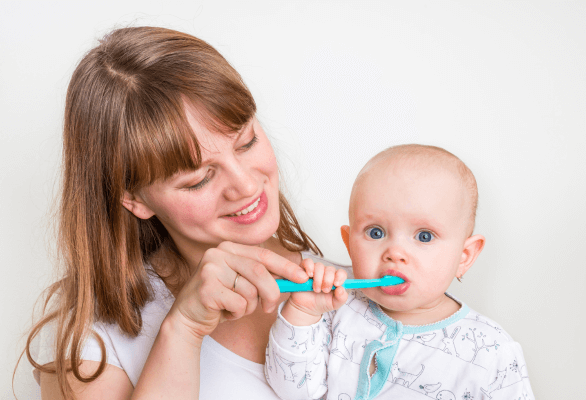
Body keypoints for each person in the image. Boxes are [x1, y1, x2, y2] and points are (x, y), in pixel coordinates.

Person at [22, 26, 346, 400]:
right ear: (135, 199)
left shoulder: (351, 286)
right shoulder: (94, 342)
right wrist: (183, 329)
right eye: (199, 179)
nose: (244, 184)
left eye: (246, 142)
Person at [265, 144, 535, 400]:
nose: (395, 252)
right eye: (375, 232)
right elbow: (292, 392)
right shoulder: (332, 306)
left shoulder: (491, 351)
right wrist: (303, 313)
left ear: (464, 257)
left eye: (425, 236)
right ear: (350, 244)